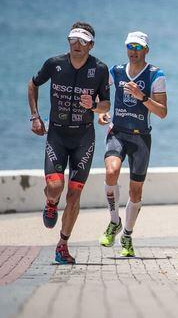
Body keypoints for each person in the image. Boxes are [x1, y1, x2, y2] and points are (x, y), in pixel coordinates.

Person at [28, 22, 110, 264]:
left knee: (74, 196)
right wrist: (35, 116)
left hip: (84, 138)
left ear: (91, 44)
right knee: (55, 188)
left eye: (83, 41)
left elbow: (106, 105)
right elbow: (33, 84)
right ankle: (51, 202)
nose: (77, 44)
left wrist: (93, 106)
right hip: (57, 135)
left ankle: (62, 245)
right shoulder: (54, 64)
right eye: (73, 39)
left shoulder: (100, 69)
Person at [97, 31, 167, 257]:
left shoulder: (156, 75)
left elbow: (163, 112)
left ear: (146, 50)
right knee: (111, 172)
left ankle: (127, 234)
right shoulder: (115, 72)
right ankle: (114, 221)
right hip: (117, 133)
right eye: (130, 47)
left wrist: (141, 96)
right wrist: (100, 112)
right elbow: (103, 100)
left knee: (135, 191)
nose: (134, 52)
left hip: (141, 138)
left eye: (138, 48)